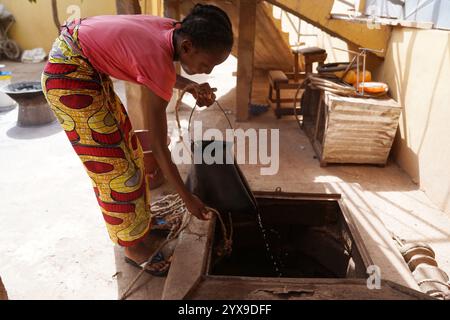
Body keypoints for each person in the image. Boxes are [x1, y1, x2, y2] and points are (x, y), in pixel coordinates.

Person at [41, 4, 233, 275]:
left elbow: (154, 69)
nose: (206, 72)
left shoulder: (172, 31)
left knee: (129, 148)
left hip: (83, 63)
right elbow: (158, 145)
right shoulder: (160, 56)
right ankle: (132, 245)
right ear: (187, 47)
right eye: (206, 64)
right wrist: (187, 197)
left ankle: (140, 221)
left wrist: (187, 85)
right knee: (115, 168)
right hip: (67, 76)